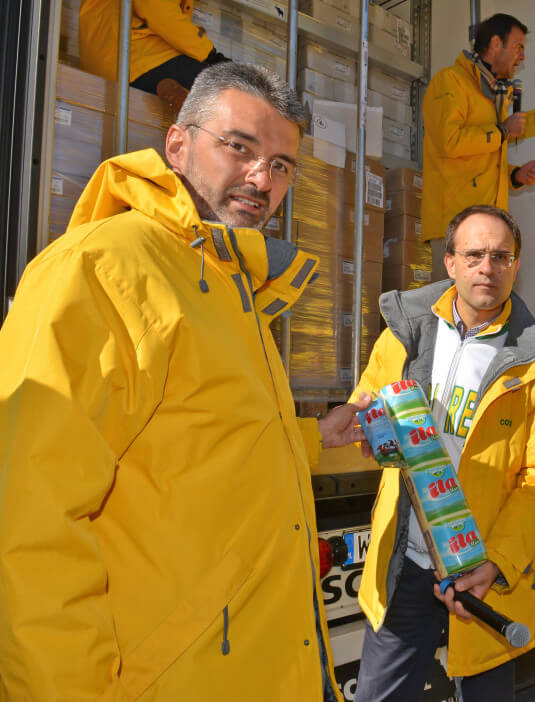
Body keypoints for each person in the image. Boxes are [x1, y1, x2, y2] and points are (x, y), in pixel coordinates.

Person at [0, 62, 369, 700]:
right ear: (177, 144)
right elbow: (29, 520)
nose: (261, 177)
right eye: (240, 148)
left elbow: (203, 441)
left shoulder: (229, 282)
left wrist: (313, 437)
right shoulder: (99, 268)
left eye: (282, 165)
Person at [351, 205, 535, 702]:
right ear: (449, 263)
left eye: (501, 256)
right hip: (406, 558)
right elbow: (367, 399)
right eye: (474, 254)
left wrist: (495, 563)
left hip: (486, 571)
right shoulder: (405, 333)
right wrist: (369, 427)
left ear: (517, 265)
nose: (487, 268)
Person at [421, 13, 535, 280]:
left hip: (485, 227)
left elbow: (481, 159)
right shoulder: (450, 82)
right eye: (518, 48)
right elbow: (450, 142)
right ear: (495, 44)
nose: (522, 57)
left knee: (485, 314)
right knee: (453, 313)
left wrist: (515, 175)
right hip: (455, 227)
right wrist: (503, 131)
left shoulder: (491, 94)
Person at [79, 0, 230, 112]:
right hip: (136, 55)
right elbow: (160, 11)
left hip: (119, 57)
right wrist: (209, 54)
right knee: (230, 92)